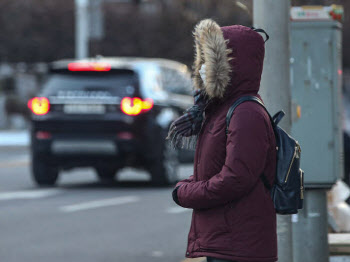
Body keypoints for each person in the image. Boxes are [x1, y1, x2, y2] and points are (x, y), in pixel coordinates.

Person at [168, 19, 277, 262]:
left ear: (231, 66)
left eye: (212, 60)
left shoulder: (246, 113)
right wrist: (187, 185)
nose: (204, 68)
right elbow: (214, 172)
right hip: (228, 242)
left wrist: (185, 192)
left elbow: (235, 179)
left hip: (239, 247)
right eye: (203, 60)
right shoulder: (219, 110)